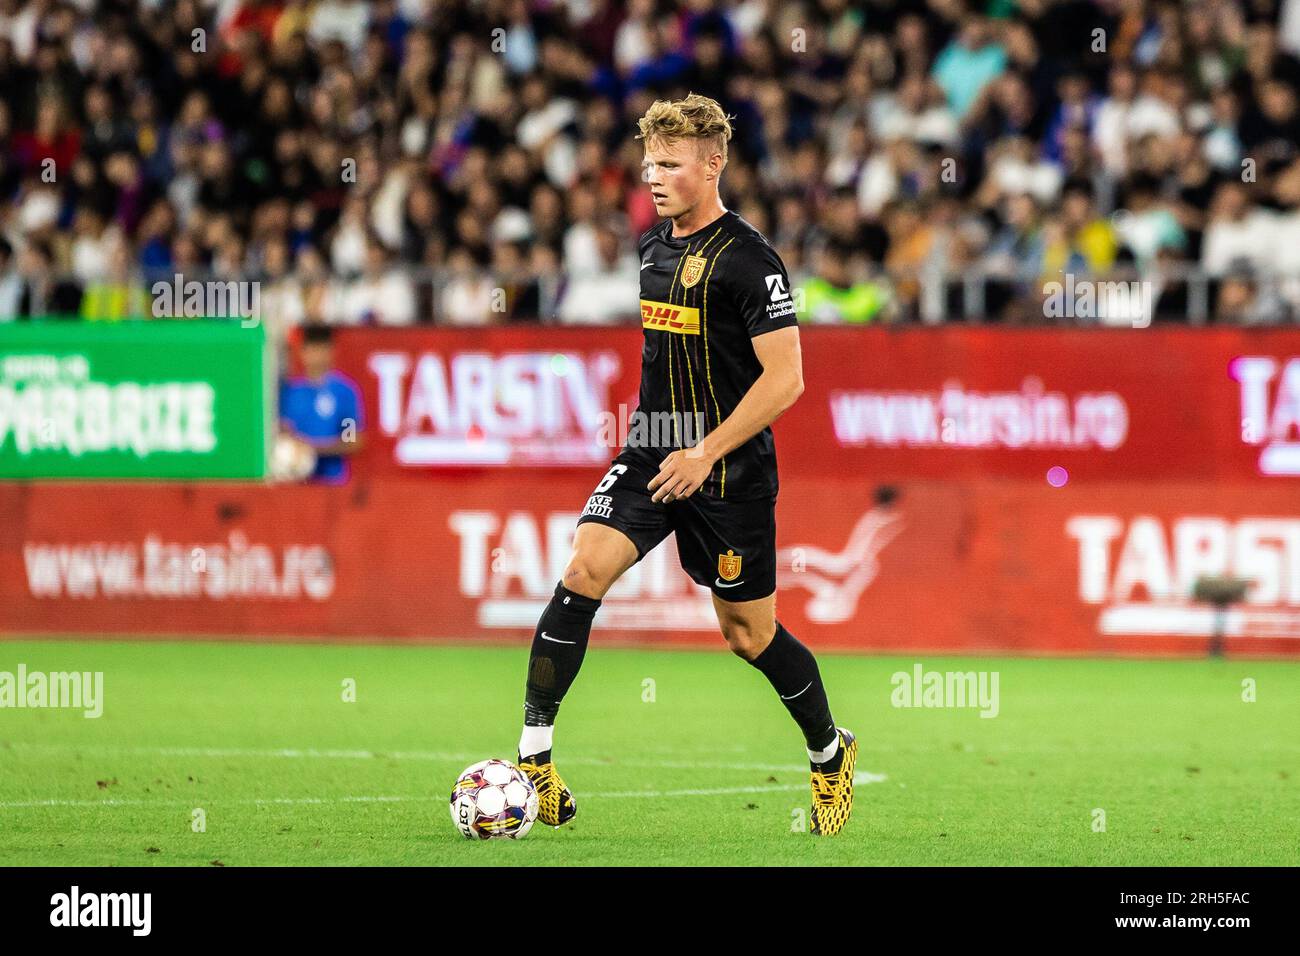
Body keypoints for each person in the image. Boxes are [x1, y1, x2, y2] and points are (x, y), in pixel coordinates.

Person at [515, 93, 857, 836]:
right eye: (648, 163)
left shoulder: (750, 259)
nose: (654, 177)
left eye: (670, 164)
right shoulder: (651, 248)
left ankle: (830, 752)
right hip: (653, 449)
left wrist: (706, 451)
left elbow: (787, 379)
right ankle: (533, 758)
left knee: (748, 635)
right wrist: (667, 444)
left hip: (727, 471)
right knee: (582, 570)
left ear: (714, 163)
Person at [278, 324, 365, 483]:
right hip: (295, 483)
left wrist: (313, 449)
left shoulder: (343, 393)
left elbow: (352, 440)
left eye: (321, 349)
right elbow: (283, 430)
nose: (315, 355)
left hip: (332, 484)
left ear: (331, 351)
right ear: (302, 352)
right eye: (311, 349)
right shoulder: (291, 392)